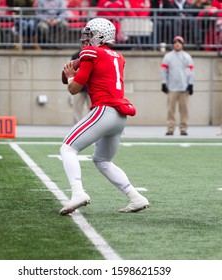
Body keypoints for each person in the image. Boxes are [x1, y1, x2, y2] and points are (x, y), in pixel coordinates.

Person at [60, 18, 149, 215]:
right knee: (102, 160)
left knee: (67, 148)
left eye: (90, 35)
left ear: (101, 36)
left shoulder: (92, 52)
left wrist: (71, 75)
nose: (86, 39)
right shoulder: (117, 56)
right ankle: (136, 197)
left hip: (104, 110)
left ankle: (77, 193)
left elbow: (75, 89)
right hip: (119, 115)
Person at [161, 36, 194, 136]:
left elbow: (191, 72)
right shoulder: (168, 57)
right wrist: (163, 83)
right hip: (171, 88)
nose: (177, 44)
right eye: (175, 42)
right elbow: (164, 71)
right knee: (170, 110)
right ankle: (170, 128)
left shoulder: (187, 57)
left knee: (184, 110)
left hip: (184, 88)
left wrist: (191, 84)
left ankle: (183, 128)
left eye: (179, 42)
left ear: (182, 44)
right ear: (173, 44)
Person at [70, 43, 91, 124]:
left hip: (90, 86)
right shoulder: (75, 56)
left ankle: (91, 125)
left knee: (92, 108)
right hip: (78, 86)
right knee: (77, 108)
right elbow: (72, 70)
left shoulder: (93, 56)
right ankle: (77, 126)